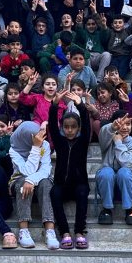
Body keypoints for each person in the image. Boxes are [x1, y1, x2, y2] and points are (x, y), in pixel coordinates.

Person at [49, 91, 91, 249]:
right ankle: (65, 232)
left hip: (79, 183)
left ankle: (79, 232)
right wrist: (54, 105)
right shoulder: (59, 141)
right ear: (62, 128)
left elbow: (86, 124)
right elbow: (52, 125)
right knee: (54, 193)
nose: (70, 130)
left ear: (78, 128)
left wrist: (80, 105)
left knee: (82, 192)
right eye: (66, 127)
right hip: (62, 184)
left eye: (73, 127)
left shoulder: (83, 141)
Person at [9, 121, 58, 249]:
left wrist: (31, 180)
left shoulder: (44, 144)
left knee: (46, 183)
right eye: (35, 137)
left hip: (39, 180)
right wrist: (35, 148)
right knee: (22, 182)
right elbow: (26, 171)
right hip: (19, 180)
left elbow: (46, 169)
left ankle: (50, 230)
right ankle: (23, 229)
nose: (39, 138)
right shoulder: (14, 149)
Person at [96, 113, 132, 225]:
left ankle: (129, 209)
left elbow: (127, 163)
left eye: (128, 124)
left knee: (124, 172)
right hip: (106, 188)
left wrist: (118, 142)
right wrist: (112, 127)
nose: (125, 127)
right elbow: (103, 133)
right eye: (121, 124)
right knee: (106, 172)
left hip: (125, 189)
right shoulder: (107, 139)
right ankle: (107, 209)